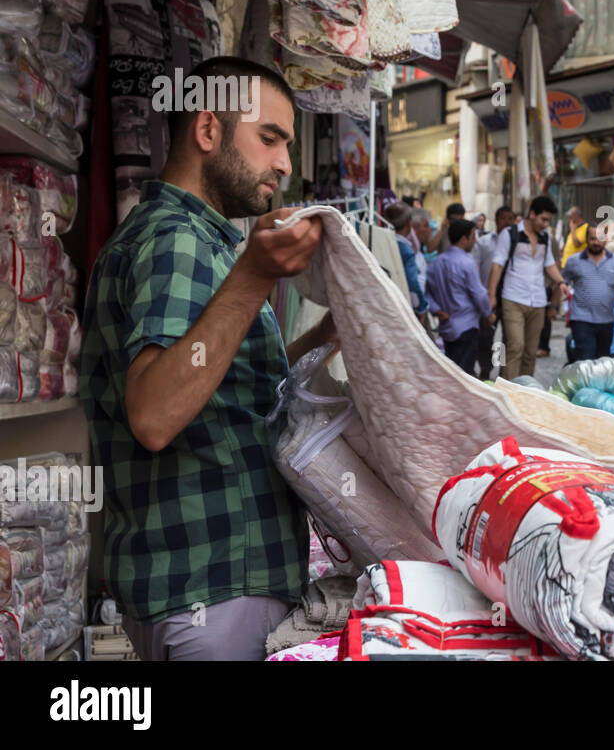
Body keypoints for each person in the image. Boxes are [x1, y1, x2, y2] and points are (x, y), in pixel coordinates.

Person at [80, 56, 337, 660]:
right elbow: (154, 412)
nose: (284, 164)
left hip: (205, 586)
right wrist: (254, 273)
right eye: (269, 138)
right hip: (210, 588)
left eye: (288, 145)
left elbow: (225, 385)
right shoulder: (178, 240)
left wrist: (324, 336)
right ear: (207, 131)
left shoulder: (190, 239)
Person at [488, 196, 566, 379]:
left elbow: (549, 264)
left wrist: (561, 282)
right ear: (532, 214)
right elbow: (497, 265)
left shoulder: (545, 237)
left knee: (530, 352)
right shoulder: (509, 234)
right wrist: (491, 295)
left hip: (538, 300)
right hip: (513, 298)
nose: (546, 224)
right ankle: (508, 393)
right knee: (515, 346)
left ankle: (525, 392)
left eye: (548, 221)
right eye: (543, 219)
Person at [426, 218, 492, 375]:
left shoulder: (436, 262)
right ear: (464, 239)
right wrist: (488, 314)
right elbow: (479, 294)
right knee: (464, 375)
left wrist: (438, 310)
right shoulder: (467, 263)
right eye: (473, 236)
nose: (475, 241)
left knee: (453, 373)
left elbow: (427, 293)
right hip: (466, 326)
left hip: (447, 326)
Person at [561, 224, 614, 361]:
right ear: (587, 239)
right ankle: (584, 382)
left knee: (602, 360)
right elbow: (563, 279)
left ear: (605, 239)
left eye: (599, 239)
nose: (596, 242)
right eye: (592, 238)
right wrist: (562, 287)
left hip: (606, 319)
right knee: (585, 357)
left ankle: (597, 383)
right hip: (581, 318)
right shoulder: (574, 261)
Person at [473, 206, 514, 379]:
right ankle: (485, 369)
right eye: (503, 218)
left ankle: (504, 372)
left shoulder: (516, 242)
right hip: (488, 296)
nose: (507, 222)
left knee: (508, 338)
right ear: (496, 220)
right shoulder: (484, 242)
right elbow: (475, 267)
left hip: (510, 296)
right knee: (486, 337)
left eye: (510, 219)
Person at [384, 202, 431, 320]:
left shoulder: (382, 242)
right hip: (404, 309)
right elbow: (413, 284)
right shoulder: (405, 250)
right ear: (409, 223)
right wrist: (421, 308)